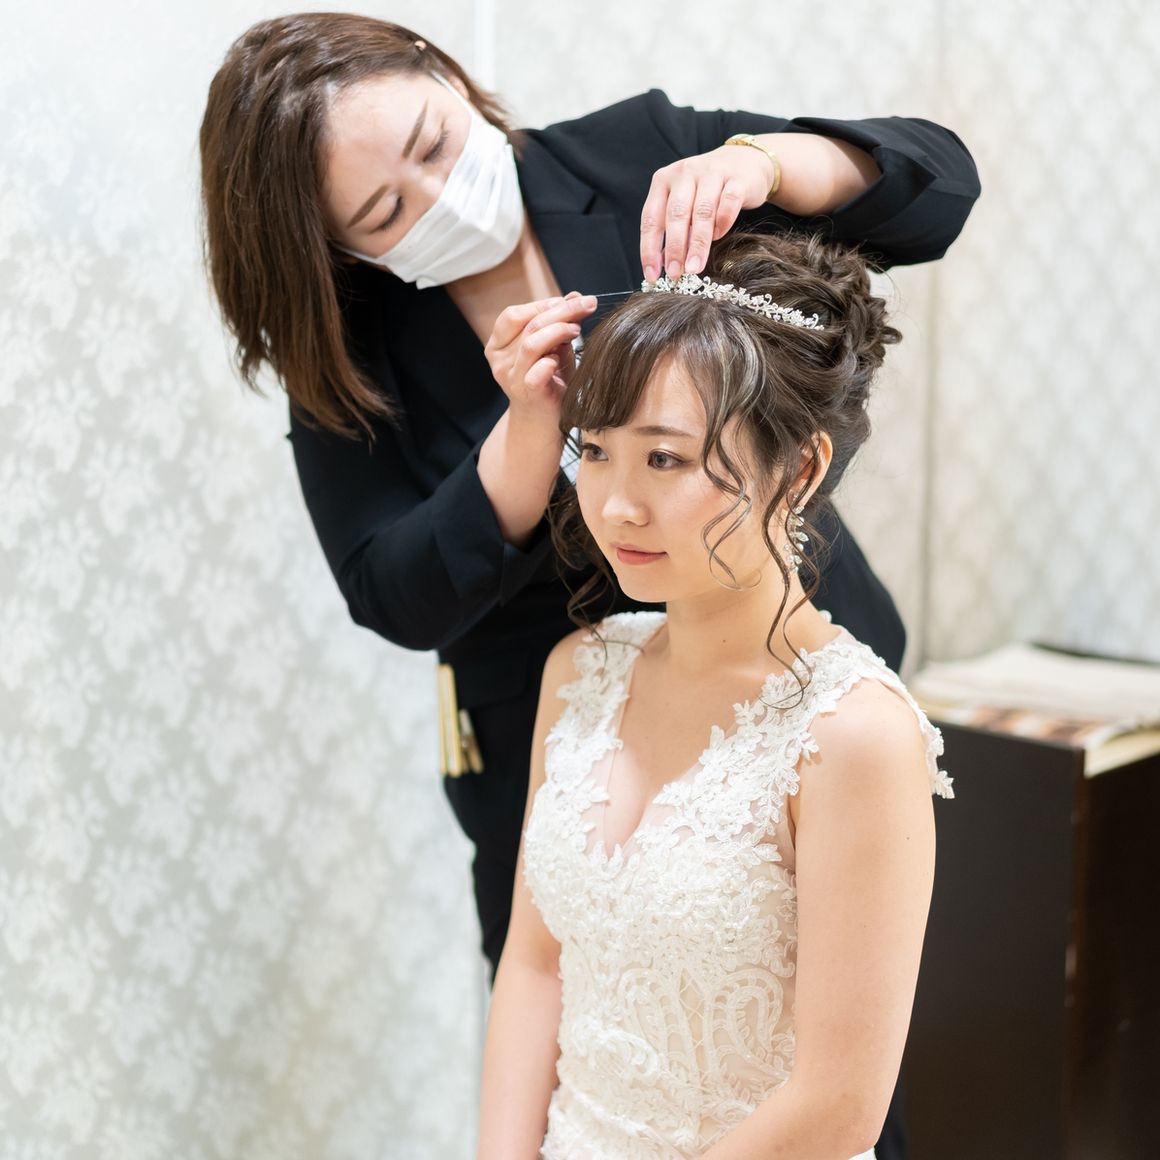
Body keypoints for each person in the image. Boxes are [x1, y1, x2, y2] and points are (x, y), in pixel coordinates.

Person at [198, 13, 978, 1157]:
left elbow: (935, 187)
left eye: (432, 141)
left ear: (443, 71)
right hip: (563, 737)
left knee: (803, 1037)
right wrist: (524, 440)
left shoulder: (630, 160)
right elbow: (393, 591)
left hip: (775, 688)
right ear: (340, 249)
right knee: (576, 1040)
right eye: (383, 211)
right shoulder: (353, 351)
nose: (437, 194)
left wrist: (766, 163)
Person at [477, 230, 954, 1160]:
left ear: (801, 469)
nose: (616, 504)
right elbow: (534, 967)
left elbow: (837, 1104)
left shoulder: (854, 734)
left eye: (664, 459)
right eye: (596, 451)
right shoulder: (579, 671)